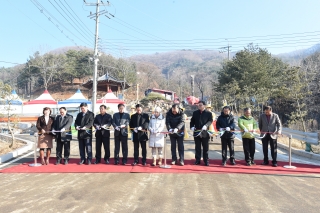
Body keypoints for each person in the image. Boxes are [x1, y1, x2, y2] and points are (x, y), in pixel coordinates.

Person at [190, 101, 213, 166]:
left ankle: (206, 160)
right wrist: (191, 127)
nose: (199, 106)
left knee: (205, 147)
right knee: (197, 147)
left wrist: (206, 125)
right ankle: (197, 160)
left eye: (200, 105)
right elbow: (192, 121)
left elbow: (210, 120)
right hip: (197, 132)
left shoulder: (208, 113)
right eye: (198, 105)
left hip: (205, 132)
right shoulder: (195, 113)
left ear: (204, 106)